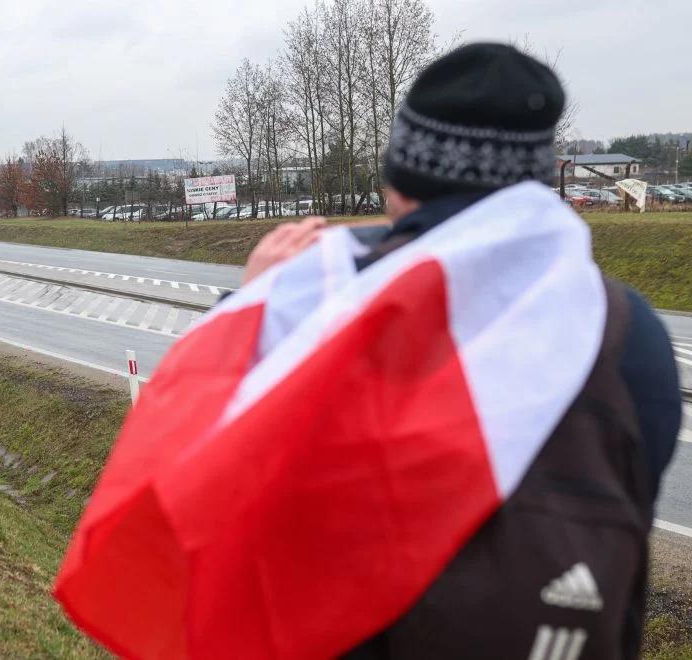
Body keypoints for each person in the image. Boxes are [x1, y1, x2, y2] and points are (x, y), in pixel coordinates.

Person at [240, 43, 681, 658]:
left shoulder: (322, 303)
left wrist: (250, 309)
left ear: (399, 181)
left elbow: (216, 480)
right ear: (541, 177)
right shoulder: (633, 334)